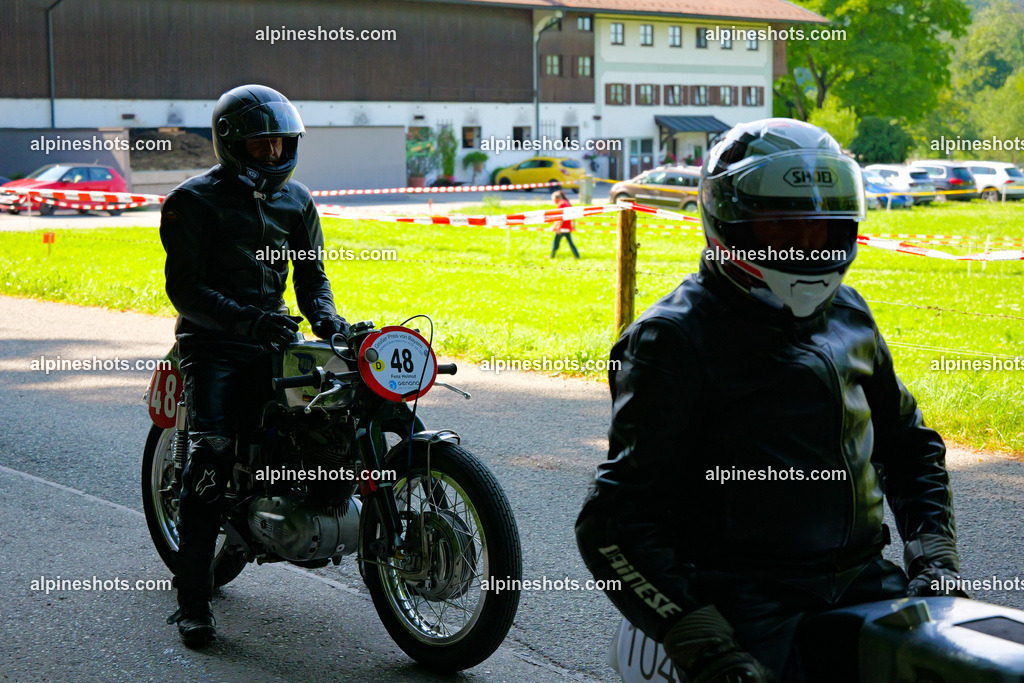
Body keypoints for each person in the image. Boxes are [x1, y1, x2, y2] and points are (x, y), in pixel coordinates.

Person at [575, 119, 966, 683]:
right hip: (742, 597)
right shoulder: (673, 337)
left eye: (822, 230)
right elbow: (612, 521)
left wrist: (935, 558)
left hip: (862, 580)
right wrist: (698, 633)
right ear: (729, 223)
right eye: (784, 229)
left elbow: (910, 446)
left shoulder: (849, 313)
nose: (807, 248)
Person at [159, 84, 348, 647]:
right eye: (260, 145)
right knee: (210, 460)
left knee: (334, 413)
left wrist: (331, 324)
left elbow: (313, 279)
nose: (272, 154)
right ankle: (192, 602)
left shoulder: (298, 202)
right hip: (212, 343)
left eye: (280, 144)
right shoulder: (193, 200)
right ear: (231, 144)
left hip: (273, 337)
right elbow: (185, 290)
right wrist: (245, 321)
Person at [550, 189, 580, 259]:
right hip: (568, 226)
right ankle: (577, 256)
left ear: (556, 198)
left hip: (562, 227)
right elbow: (573, 215)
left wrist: (558, 227)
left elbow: (561, 217)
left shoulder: (561, 204)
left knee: (555, 243)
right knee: (570, 243)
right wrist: (573, 225)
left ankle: (552, 256)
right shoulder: (567, 202)